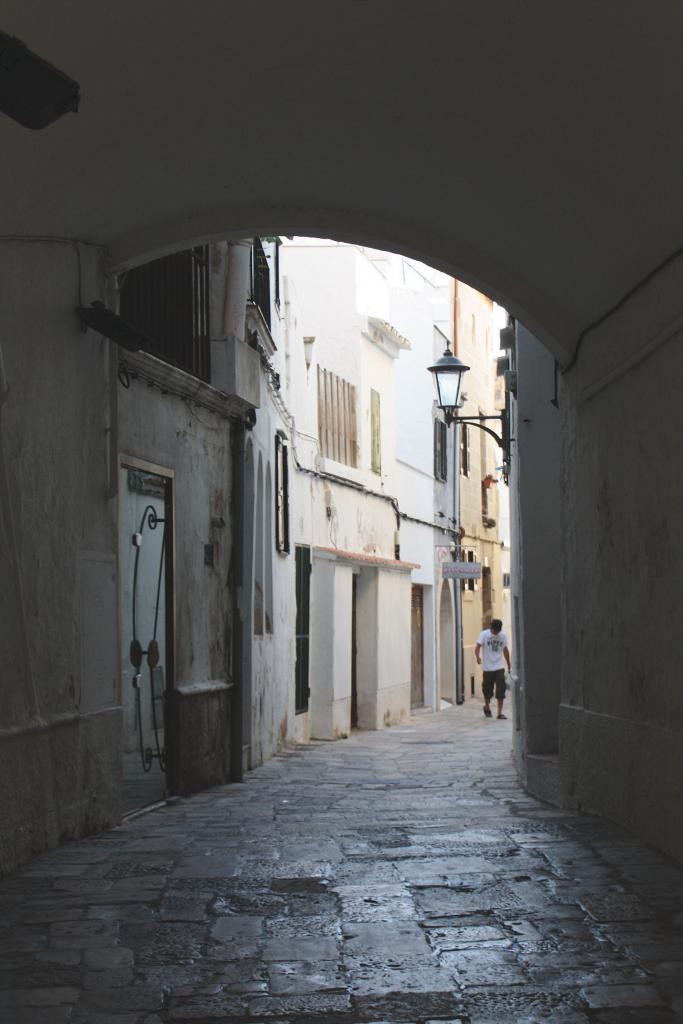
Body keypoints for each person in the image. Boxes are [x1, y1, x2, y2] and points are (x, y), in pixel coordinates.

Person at [475, 618, 511, 720]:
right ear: (491, 627)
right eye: (495, 630)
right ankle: (487, 706)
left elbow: (505, 650)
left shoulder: (503, 635)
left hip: (499, 666)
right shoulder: (484, 634)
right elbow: (478, 646)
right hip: (487, 668)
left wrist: (509, 664)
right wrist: (478, 657)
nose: (496, 633)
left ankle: (499, 713)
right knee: (487, 689)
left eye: (498, 631)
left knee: (501, 690)